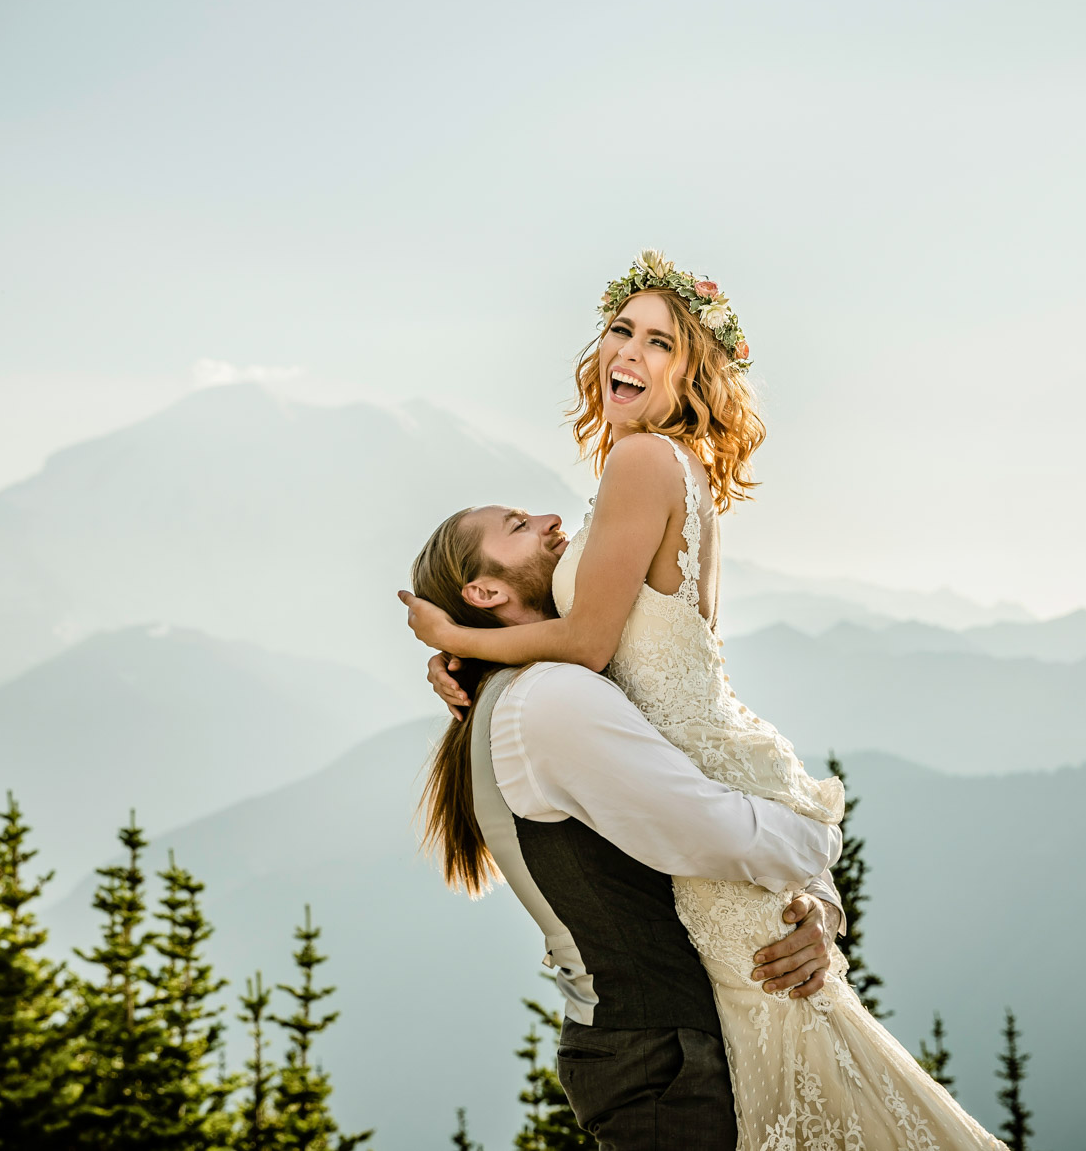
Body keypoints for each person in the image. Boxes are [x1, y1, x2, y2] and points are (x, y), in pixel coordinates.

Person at [401, 251, 1004, 1149]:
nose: (631, 353)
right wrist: (470, 676)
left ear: (692, 373)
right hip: (710, 806)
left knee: (799, 1075)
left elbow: (588, 642)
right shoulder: (656, 473)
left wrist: (458, 641)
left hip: (708, 823)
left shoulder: (641, 461)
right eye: (621, 331)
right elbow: (586, 661)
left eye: (661, 343)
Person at [408, 505, 846, 1150]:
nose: (550, 516)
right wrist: (821, 837)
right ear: (486, 592)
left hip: (668, 1049)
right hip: (662, 1063)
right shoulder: (549, 700)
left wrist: (820, 908)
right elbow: (718, 833)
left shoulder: (549, 688)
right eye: (518, 525)